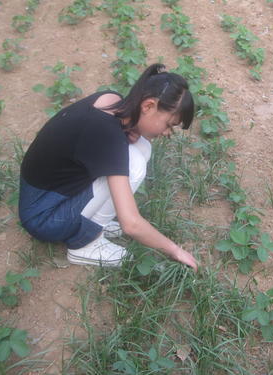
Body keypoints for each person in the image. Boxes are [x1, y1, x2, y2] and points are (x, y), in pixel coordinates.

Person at [19, 63, 198, 270]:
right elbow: (131, 224)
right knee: (134, 164)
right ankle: (85, 243)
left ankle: (91, 222)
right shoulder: (107, 135)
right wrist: (175, 250)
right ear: (148, 106)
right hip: (44, 217)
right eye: (168, 125)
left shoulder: (112, 101)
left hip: (45, 198)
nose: (168, 133)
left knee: (140, 147)